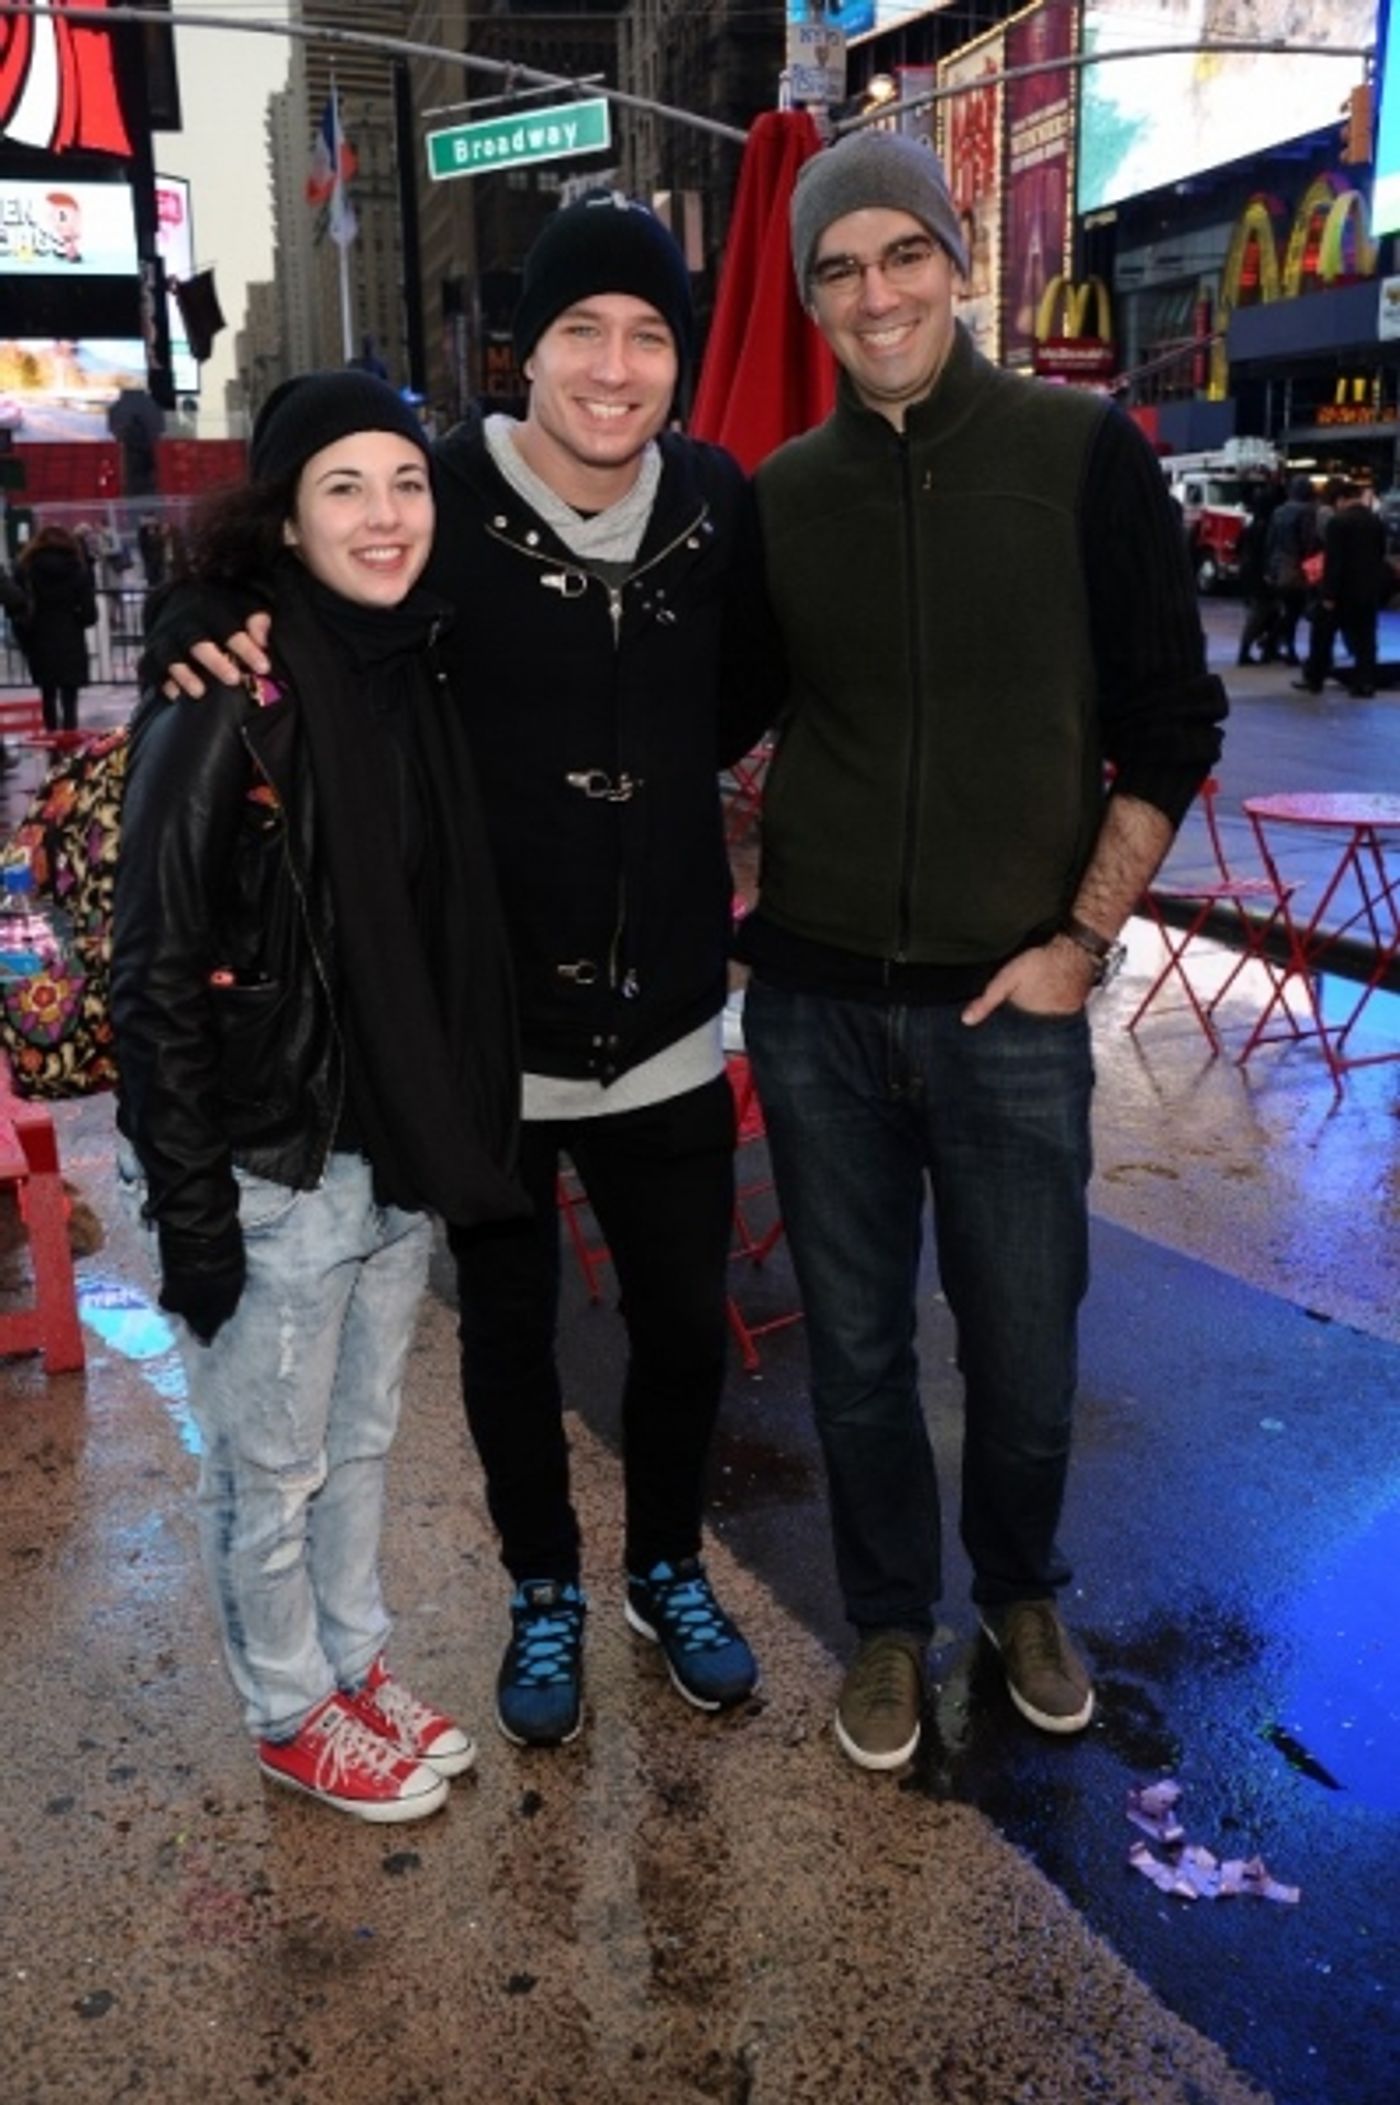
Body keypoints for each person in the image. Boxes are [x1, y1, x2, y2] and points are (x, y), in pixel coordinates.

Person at [143, 197, 782, 1753]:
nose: (614, 367)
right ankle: (543, 1586)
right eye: (582, 332)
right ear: (525, 354)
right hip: (492, 1033)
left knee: (686, 1328)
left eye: (648, 335)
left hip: (674, 1024)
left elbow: (751, 688)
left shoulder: (714, 503)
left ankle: (661, 1568)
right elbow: (303, 545)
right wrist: (191, 611)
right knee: (507, 1341)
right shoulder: (445, 499)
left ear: (680, 363)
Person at [736, 132, 1227, 1771]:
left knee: (1024, 1340)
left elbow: (1174, 720)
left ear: (956, 261)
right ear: (812, 298)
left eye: (900, 253)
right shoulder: (783, 498)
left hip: (1013, 997)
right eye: (838, 267)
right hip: (813, 1001)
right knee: (859, 1355)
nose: (873, 291)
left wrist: (1083, 940)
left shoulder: (1084, 453)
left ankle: (1021, 1592)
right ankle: (890, 1624)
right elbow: (691, 711)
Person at [112, 371, 526, 1823]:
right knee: (268, 1470)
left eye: (405, 481)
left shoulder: (415, 668)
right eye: (344, 485)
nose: (384, 514)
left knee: (355, 1449)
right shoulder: (228, 698)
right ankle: (290, 1705)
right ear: (282, 514)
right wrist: (191, 1214)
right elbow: (152, 972)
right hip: (275, 1158)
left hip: (394, 1146)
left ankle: (353, 1666)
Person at [1295, 480, 1389, 698]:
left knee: (1322, 636)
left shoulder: (1339, 522)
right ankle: (1365, 682)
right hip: (1368, 591)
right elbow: (1380, 555)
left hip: (1342, 592)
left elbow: (1334, 562)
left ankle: (1315, 679)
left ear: (1341, 499)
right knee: (1366, 639)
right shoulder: (1375, 521)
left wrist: (1328, 594)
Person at [13, 523, 97, 731]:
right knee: (70, 699)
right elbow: (89, 614)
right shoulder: (77, 568)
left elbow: (19, 605)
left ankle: (52, 742)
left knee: (47, 695)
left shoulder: (26, 568)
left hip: (39, 637)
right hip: (70, 637)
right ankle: (70, 747)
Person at [1264, 473, 1318, 667]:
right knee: (1295, 611)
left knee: (1287, 609)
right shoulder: (1307, 512)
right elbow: (1308, 541)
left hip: (1278, 565)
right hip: (1296, 566)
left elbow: (1270, 541)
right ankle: (1281, 646)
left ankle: (1275, 645)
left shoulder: (1279, 511)